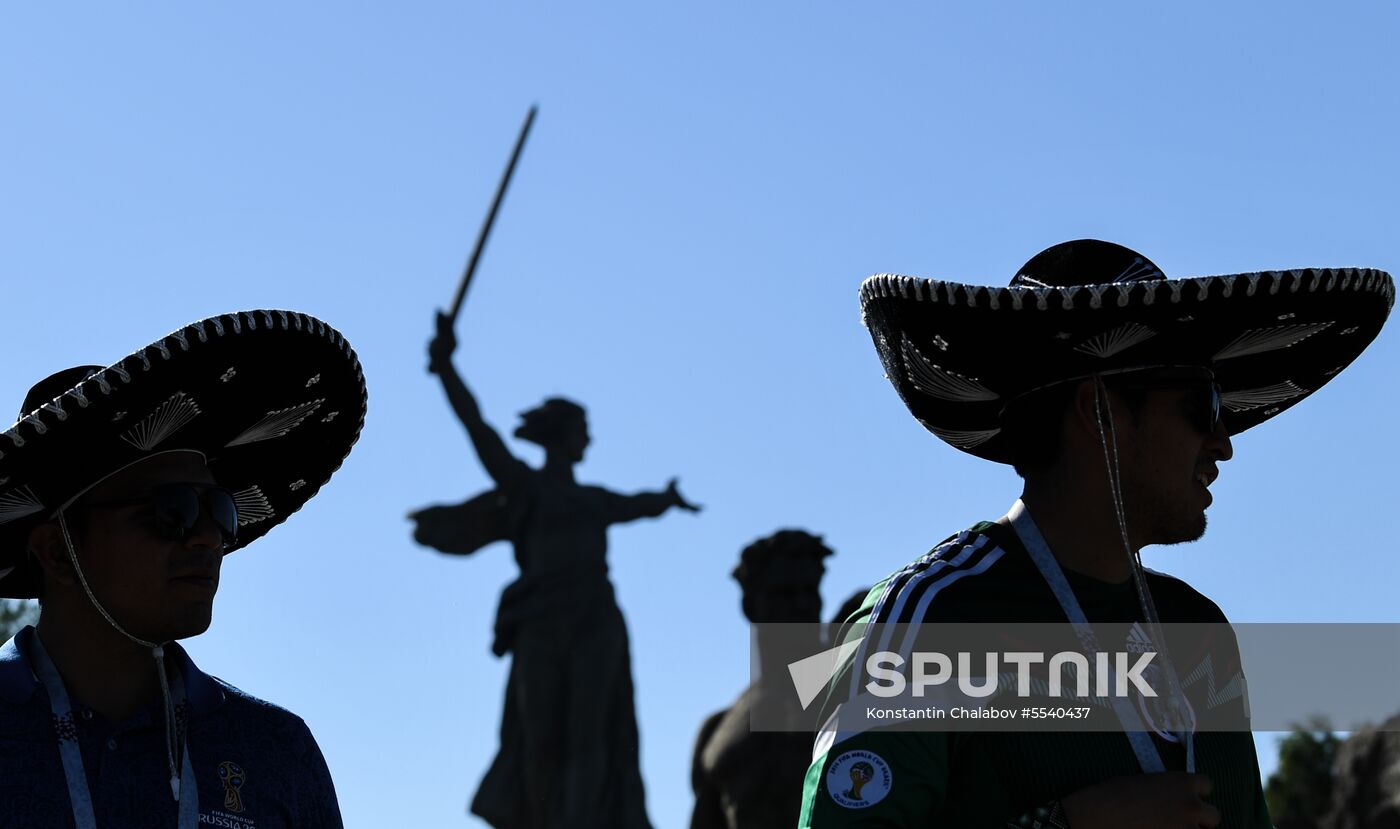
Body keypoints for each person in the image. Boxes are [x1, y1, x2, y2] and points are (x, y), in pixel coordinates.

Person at [799, 240, 1393, 827]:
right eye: (1203, 405)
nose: (1223, 443)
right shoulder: (929, 620)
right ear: (1100, 412)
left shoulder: (1200, 631)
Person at [0, 309, 367, 829]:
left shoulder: (276, 754)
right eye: (172, 512)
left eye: (219, 510)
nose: (207, 538)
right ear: (58, 551)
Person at [420, 311, 699, 829]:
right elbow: (477, 429)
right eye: (583, 430)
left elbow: (638, 503)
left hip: (593, 617)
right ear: (562, 435)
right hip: (540, 620)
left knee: (591, 732)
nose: (588, 440)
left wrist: (667, 498)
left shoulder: (593, 500)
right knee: (540, 734)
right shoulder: (526, 489)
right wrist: (447, 369)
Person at [691, 529, 833, 829]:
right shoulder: (719, 730)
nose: (802, 605)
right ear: (751, 605)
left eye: (810, 591)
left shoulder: (850, 695)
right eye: (784, 593)